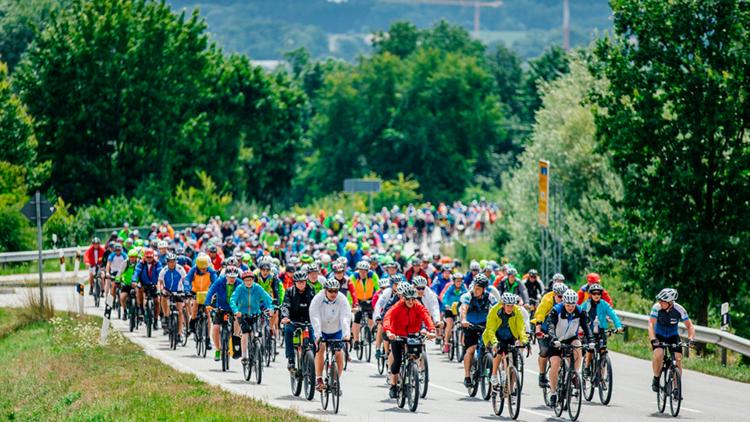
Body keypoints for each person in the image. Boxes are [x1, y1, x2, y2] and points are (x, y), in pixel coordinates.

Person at [383, 283, 436, 399]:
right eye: (408, 299)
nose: (411, 302)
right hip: (397, 334)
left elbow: (426, 316)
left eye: (413, 299)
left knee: (415, 355)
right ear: (403, 298)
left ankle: (413, 372)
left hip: (413, 334)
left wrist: (431, 330)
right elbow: (387, 317)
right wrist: (388, 332)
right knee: (397, 360)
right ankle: (393, 384)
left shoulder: (418, 305)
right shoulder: (398, 306)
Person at [545, 289, 594, 408]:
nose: (570, 307)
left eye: (573, 305)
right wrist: (554, 339)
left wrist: (591, 340)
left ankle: (574, 374)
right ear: (564, 303)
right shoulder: (557, 310)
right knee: (555, 364)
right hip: (556, 339)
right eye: (568, 305)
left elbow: (586, 327)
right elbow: (550, 325)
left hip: (571, 337)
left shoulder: (580, 311)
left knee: (578, 345)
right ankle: (553, 393)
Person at [309, 278, 352, 393]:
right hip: (321, 329)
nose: (333, 293)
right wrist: (318, 335)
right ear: (325, 290)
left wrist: (347, 334)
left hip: (336, 329)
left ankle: (335, 382)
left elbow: (345, 317)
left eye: (335, 291)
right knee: (321, 348)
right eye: (331, 291)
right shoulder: (318, 298)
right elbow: (314, 316)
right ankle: (319, 379)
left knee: (339, 353)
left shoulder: (342, 299)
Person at [648, 288, 695, 393]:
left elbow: (690, 326)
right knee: (659, 354)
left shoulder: (679, 309)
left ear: (670, 302)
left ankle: (676, 388)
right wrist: (652, 339)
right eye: (659, 300)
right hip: (659, 336)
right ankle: (656, 378)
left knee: (678, 359)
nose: (659, 302)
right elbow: (651, 324)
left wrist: (691, 339)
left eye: (662, 301)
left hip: (673, 336)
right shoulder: (656, 308)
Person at [482, 292, 529, 389]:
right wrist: (495, 342)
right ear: (503, 305)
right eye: (507, 306)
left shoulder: (517, 311)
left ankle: (510, 391)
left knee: (513, 365)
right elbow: (490, 329)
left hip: (510, 336)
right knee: (499, 351)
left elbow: (521, 328)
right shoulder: (495, 310)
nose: (510, 308)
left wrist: (524, 341)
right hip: (496, 335)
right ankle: (494, 375)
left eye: (512, 306)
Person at [459, 273, 497, 388]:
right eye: (475, 287)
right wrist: (464, 319)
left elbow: (497, 308)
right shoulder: (468, 296)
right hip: (469, 325)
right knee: (470, 350)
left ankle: (488, 371)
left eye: (478, 289)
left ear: (484, 289)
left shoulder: (490, 297)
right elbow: (463, 308)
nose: (476, 290)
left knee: (489, 347)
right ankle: (467, 376)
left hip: (484, 325)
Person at [230, 270, 274, 367]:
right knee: (245, 334)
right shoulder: (240, 288)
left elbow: (268, 299)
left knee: (256, 334)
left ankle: (257, 350)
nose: (249, 282)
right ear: (243, 281)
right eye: (246, 280)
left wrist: (271, 308)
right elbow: (232, 300)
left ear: (253, 280)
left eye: (250, 280)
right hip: (243, 315)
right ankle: (244, 356)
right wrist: (236, 311)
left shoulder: (258, 288)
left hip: (255, 314)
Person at [581, 283, 623, 376]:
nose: (596, 295)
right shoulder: (586, 304)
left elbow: (613, 315)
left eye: (599, 294)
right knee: (590, 348)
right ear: (590, 294)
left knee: (603, 352)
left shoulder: (604, 305)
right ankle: (587, 367)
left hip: (601, 331)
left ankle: (602, 378)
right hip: (589, 331)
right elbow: (578, 314)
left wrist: (618, 326)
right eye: (594, 293)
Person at [532, 281, 567, 388]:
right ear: (554, 294)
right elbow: (539, 315)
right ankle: (542, 375)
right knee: (544, 350)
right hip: (545, 329)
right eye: (559, 296)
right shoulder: (547, 300)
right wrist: (538, 330)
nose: (561, 299)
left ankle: (571, 376)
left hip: (559, 331)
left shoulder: (566, 302)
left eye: (563, 297)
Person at [203, 266, 241, 361]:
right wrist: (207, 304)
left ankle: (235, 340)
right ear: (226, 276)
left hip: (234, 309)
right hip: (221, 308)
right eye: (230, 277)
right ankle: (218, 349)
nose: (232, 279)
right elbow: (211, 291)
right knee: (215, 328)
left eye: (234, 277)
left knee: (238, 321)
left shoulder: (240, 283)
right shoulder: (220, 281)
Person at [281, 270, 317, 370]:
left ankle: (311, 363)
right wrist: (285, 317)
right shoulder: (289, 291)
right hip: (293, 319)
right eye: (299, 282)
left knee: (313, 341)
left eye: (303, 282)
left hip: (307, 320)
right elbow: (285, 305)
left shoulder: (311, 290)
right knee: (288, 330)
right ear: (295, 282)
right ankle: (291, 359)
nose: (301, 284)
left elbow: (316, 306)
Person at [350, 260, 379, 351]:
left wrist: (377, 302)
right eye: (361, 270)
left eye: (365, 271)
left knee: (371, 315)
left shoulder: (373, 276)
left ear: (368, 271)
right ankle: (356, 340)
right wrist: (353, 304)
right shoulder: (354, 277)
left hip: (370, 298)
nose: (363, 273)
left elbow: (378, 289)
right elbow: (351, 291)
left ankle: (368, 334)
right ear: (358, 270)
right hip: (358, 299)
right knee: (357, 317)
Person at [157, 253, 188, 337]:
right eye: (170, 262)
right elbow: (160, 282)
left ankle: (180, 333)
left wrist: (186, 290)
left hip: (178, 291)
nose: (172, 263)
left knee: (180, 311)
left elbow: (185, 281)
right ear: (167, 262)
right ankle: (166, 317)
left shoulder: (180, 269)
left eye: (173, 261)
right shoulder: (164, 270)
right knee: (163, 298)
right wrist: (160, 290)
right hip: (168, 290)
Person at [185, 254, 217, 333]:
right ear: (198, 267)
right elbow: (187, 280)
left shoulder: (211, 271)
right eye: (202, 268)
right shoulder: (193, 270)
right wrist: (186, 290)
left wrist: (214, 292)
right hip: (195, 291)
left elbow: (215, 282)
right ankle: (192, 322)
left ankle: (208, 339)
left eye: (205, 268)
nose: (204, 270)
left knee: (208, 314)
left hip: (207, 292)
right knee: (195, 305)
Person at [439, 272, 467, 353]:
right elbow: (445, 297)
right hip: (449, 308)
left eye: (460, 281)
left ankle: (463, 342)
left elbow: (467, 296)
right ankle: (446, 343)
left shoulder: (463, 288)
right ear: (454, 281)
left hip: (459, 308)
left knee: (463, 323)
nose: (459, 282)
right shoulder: (450, 287)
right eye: (457, 281)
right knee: (449, 324)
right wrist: (446, 304)